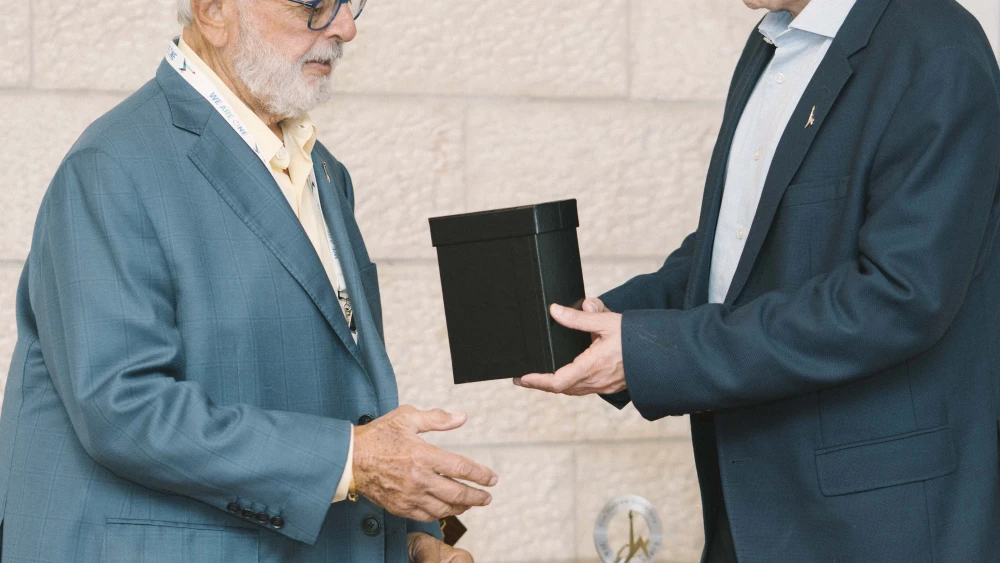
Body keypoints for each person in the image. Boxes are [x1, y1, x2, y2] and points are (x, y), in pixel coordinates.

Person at [0, 0, 496, 561]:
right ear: (214, 11)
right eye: (313, 4)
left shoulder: (323, 169)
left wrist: (407, 538)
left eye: (350, 2)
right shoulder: (111, 165)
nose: (346, 28)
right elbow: (123, 407)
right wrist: (353, 462)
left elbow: (345, 393)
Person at [514, 0, 1000, 561]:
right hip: (751, 511)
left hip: (878, 526)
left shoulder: (937, 50)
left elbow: (898, 298)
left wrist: (653, 352)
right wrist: (601, 321)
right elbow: (735, 251)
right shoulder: (770, 43)